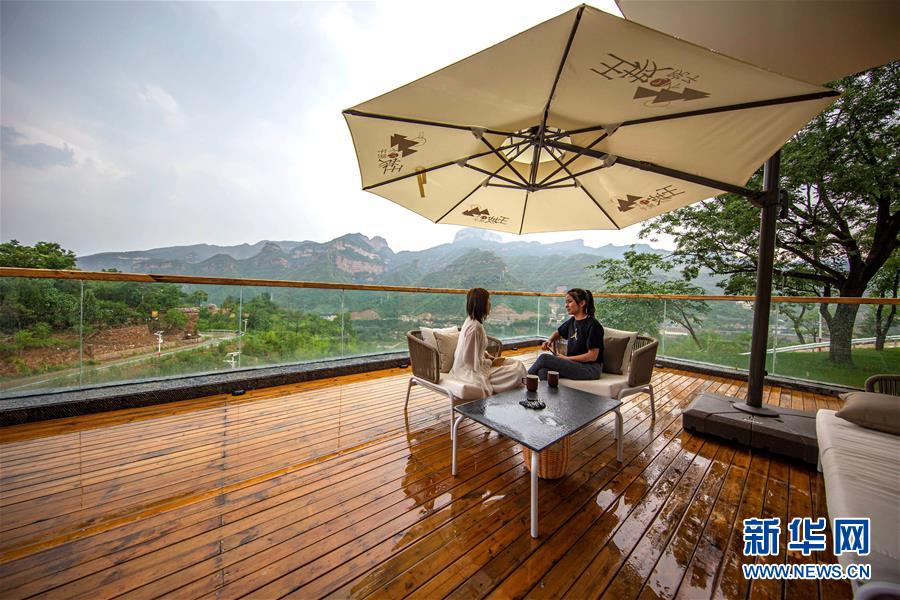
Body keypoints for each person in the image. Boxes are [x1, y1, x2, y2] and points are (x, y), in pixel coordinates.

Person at [450, 287, 526, 397]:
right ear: (481, 303)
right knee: (517, 370)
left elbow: (475, 351)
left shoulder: (473, 322)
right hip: (469, 373)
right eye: (488, 300)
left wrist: (487, 356)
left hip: (476, 365)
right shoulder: (474, 328)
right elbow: (469, 362)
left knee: (516, 364)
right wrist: (491, 363)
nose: (490, 304)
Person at [528, 288, 604, 380]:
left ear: (582, 303)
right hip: (574, 364)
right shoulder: (572, 321)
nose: (566, 305)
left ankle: (523, 379)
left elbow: (592, 356)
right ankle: (546, 390)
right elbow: (558, 332)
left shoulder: (593, 325)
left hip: (590, 369)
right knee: (543, 371)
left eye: (569, 302)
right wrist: (549, 340)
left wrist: (566, 359)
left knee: (544, 358)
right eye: (566, 302)